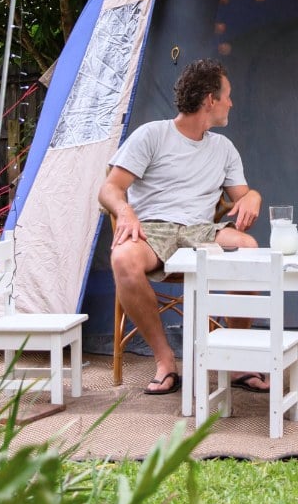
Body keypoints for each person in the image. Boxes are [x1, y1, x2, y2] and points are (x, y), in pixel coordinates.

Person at [98, 58, 265, 396]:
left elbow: (243, 196)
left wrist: (253, 198)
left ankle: (237, 357)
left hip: (201, 232)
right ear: (210, 99)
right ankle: (165, 361)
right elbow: (109, 189)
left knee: (249, 250)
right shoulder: (152, 135)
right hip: (153, 230)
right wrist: (126, 211)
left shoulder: (224, 148)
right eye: (228, 95)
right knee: (122, 259)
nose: (232, 102)